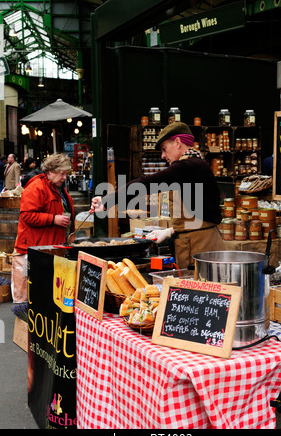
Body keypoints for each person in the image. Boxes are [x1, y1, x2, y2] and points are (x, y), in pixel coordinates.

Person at [91, 122, 225, 269]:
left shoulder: (189, 166)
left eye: (164, 149)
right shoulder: (194, 166)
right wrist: (170, 231)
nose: (163, 156)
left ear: (178, 142)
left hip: (201, 246)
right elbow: (201, 212)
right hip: (196, 242)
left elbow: (148, 183)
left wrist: (108, 200)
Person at [11, 152, 75, 303]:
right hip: (35, 248)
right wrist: (54, 219)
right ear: (50, 171)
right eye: (62, 173)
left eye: (66, 173)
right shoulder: (36, 187)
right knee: (33, 299)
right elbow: (27, 216)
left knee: (47, 297)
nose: (65, 177)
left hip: (50, 248)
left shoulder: (57, 187)